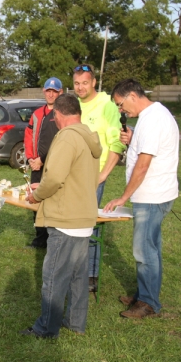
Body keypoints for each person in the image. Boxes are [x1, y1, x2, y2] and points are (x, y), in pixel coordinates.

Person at [21, 93, 102, 338]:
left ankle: (46, 328)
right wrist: (43, 184)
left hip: (65, 218)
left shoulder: (67, 137)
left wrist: (37, 195)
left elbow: (55, 177)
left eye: (54, 116)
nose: (54, 121)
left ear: (58, 114)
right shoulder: (87, 136)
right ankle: (76, 323)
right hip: (83, 217)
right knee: (78, 279)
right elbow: (72, 176)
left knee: (54, 277)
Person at [104, 79, 179, 319]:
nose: (120, 110)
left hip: (151, 195)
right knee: (151, 248)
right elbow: (146, 149)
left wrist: (124, 196)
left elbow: (143, 165)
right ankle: (145, 294)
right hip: (157, 193)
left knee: (144, 251)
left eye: (120, 104)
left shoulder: (154, 119)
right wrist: (134, 137)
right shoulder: (152, 116)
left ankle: (148, 304)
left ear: (132, 96)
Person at [73, 64, 127, 291]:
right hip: (73, 174)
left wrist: (103, 174)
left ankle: (91, 275)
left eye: (85, 82)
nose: (80, 87)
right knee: (73, 223)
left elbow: (116, 143)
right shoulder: (75, 105)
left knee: (90, 224)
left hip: (94, 176)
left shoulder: (106, 105)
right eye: (76, 83)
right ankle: (74, 269)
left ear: (94, 82)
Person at [24, 77, 63, 248]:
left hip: (53, 165)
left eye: (54, 91)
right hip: (36, 166)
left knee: (53, 200)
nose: (51, 94)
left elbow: (60, 143)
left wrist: (43, 160)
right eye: (48, 91)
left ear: (60, 93)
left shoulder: (62, 114)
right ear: (44, 91)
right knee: (35, 200)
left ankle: (53, 237)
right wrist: (32, 158)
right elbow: (28, 136)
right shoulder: (37, 114)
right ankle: (40, 238)